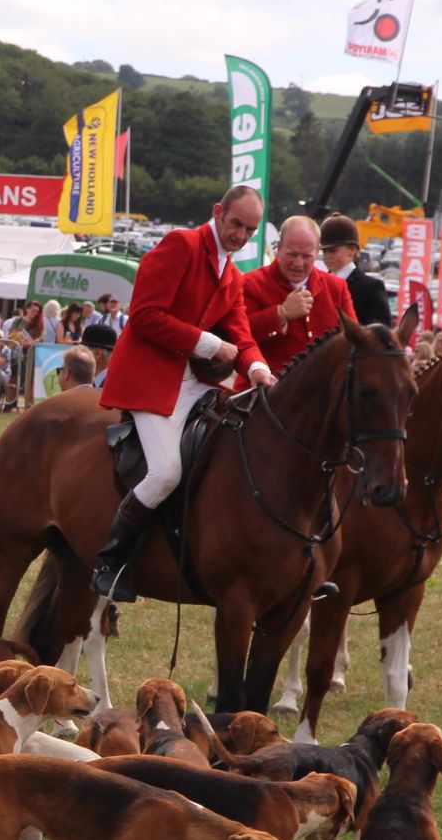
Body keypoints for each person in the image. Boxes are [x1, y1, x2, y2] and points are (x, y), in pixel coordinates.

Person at [91, 184, 276, 602]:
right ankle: (110, 561)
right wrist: (210, 344)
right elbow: (144, 316)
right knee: (165, 472)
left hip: (195, 382)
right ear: (217, 211)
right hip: (150, 380)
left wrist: (259, 369)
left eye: (250, 230)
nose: (242, 236)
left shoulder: (232, 274)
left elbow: (241, 334)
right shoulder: (181, 244)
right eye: (236, 224)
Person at [239, 214, 357, 375]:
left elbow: (353, 340)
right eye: (292, 254)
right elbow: (240, 336)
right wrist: (281, 314)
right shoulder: (251, 283)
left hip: (322, 386)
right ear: (279, 248)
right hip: (267, 384)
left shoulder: (336, 287)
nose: (298, 264)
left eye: (306, 256)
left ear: (317, 252)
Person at [317, 213, 393, 325]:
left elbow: (381, 332)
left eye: (333, 250)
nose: (327, 256)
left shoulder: (371, 288)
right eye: (324, 251)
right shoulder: (318, 284)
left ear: (352, 249)